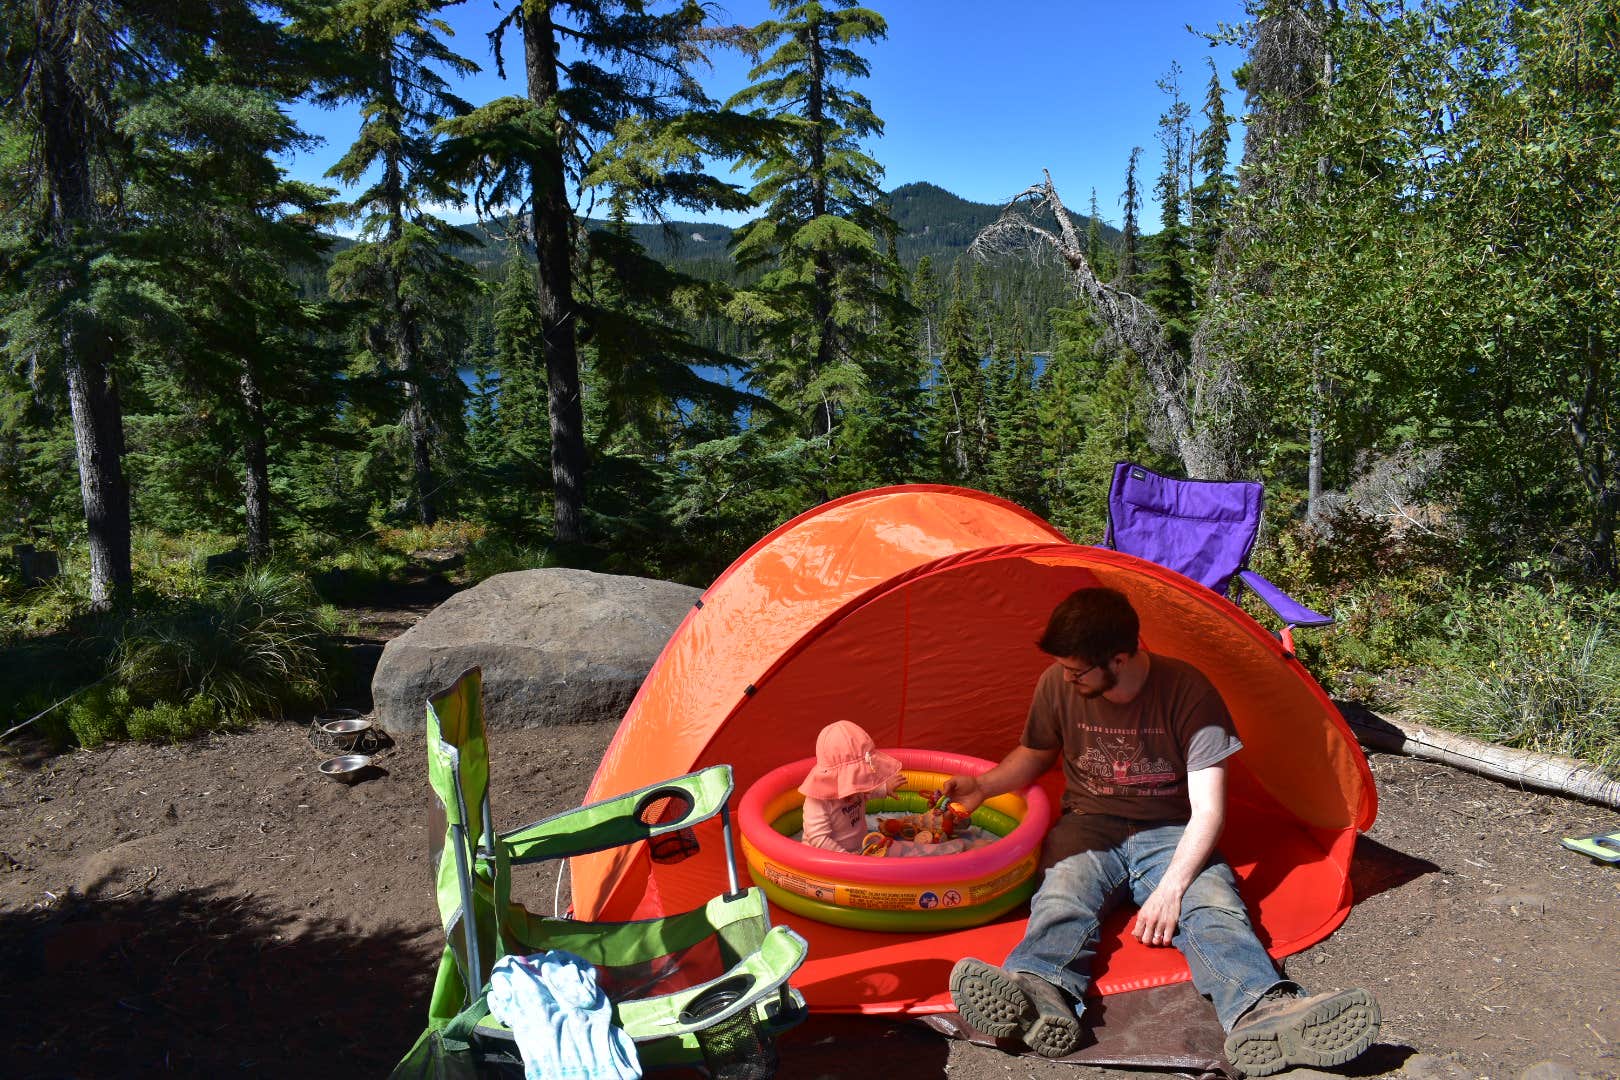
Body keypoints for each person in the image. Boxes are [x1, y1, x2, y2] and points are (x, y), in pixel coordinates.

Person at [942, 587, 1379, 1077]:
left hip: (1171, 830)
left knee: (1212, 906)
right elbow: (1035, 753)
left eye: (1078, 671)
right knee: (1062, 895)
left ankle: (1264, 1009)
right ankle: (1038, 989)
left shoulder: (1187, 692)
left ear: (1121, 659)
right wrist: (983, 785)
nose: (1067, 678)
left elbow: (1209, 810)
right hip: (1090, 824)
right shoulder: (1057, 684)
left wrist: (1172, 888)